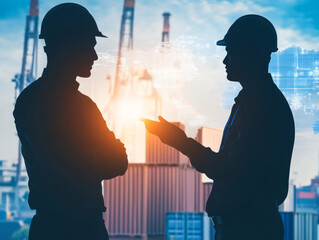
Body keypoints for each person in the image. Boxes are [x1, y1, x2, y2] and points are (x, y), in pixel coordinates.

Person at [141, 14, 295, 240]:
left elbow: (227, 169)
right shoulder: (253, 102)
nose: (225, 61)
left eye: (230, 53)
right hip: (243, 226)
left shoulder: (261, 106)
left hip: (248, 229)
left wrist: (180, 142)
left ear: (251, 54)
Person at [13, 3, 128, 240]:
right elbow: (69, 162)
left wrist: (88, 157)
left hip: (81, 227)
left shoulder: (83, 105)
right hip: (62, 229)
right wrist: (96, 157)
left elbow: (119, 161)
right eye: (89, 47)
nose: (95, 56)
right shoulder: (34, 103)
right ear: (67, 46)